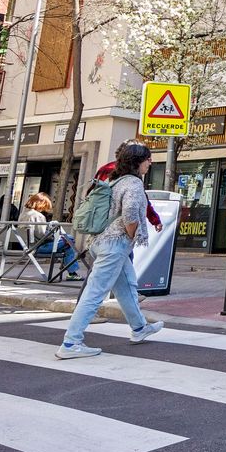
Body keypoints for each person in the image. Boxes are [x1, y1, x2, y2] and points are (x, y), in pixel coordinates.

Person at [56, 143, 163, 359]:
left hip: (101, 241)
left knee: (126, 286)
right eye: (148, 159)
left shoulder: (114, 180)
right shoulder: (133, 183)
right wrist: (131, 236)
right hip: (115, 244)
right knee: (95, 292)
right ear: (138, 161)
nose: (150, 162)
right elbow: (131, 213)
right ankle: (71, 342)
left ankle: (139, 328)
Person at [20, 191, 81, 281]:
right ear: (40, 204)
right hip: (38, 247)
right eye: (45, 206)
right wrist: (54, 235)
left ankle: (72, 272)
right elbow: (43, 236)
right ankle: (71, 271)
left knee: (68, 246)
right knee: (70, 239)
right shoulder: (38, 216)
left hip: (27, 246)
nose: (45, 209)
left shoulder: (23, 214)